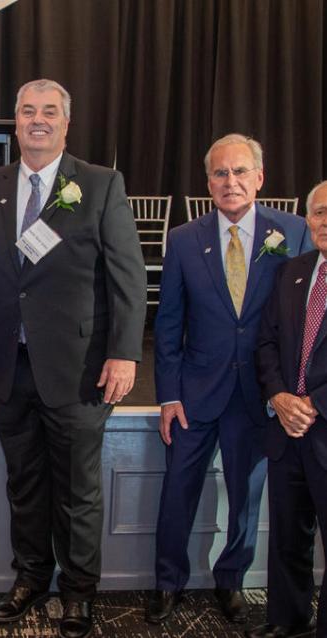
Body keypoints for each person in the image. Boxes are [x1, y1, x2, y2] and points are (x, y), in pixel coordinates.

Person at [0, 78, 146, 638]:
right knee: (25, 482)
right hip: (8, 365)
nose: (37, 120)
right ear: (15, 121)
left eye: (49, 111)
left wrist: (124, 354)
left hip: (80, 368)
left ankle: (79, 592)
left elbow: (128, 277)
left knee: (77, 491)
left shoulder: (101, 184)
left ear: (66, 122)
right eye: (27, 111)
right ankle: (31, 578)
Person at [148, 134, 310, 625]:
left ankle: (231, 580)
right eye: (220, 173)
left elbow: (301, 319)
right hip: (194, 392)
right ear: (208, 182)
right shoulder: (183, 239)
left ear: (260, 178)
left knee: (245, 498)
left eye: (240, 171)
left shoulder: (294, 231)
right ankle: (167, 582)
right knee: (177, 491)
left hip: (260, 395)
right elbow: (168, 324)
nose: (230, 181)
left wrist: (290, 390)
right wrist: (168, 396)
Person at [249, 180, 327, 638]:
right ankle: (288, 620)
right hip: (286, 428)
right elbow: (266, 342)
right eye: (319, 213)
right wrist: (279, 396)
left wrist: (314, 404)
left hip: (321, 424)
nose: (325, 222)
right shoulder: (292, 271)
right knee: (287, 536)